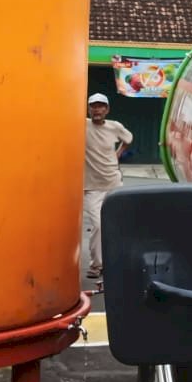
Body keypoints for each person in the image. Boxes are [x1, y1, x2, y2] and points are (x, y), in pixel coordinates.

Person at [83, 92, 132, 291]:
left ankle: (117, 263)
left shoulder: (115, 127)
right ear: (88, 109)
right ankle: (96, 265)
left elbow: (129, 138)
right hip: (92, 186)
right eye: (93, 106)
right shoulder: (82, 125)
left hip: (113, 183)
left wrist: (118, 154)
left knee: (118, 224)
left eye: (101, 106)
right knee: (97, 224)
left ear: (107, 109)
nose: (97, 109)